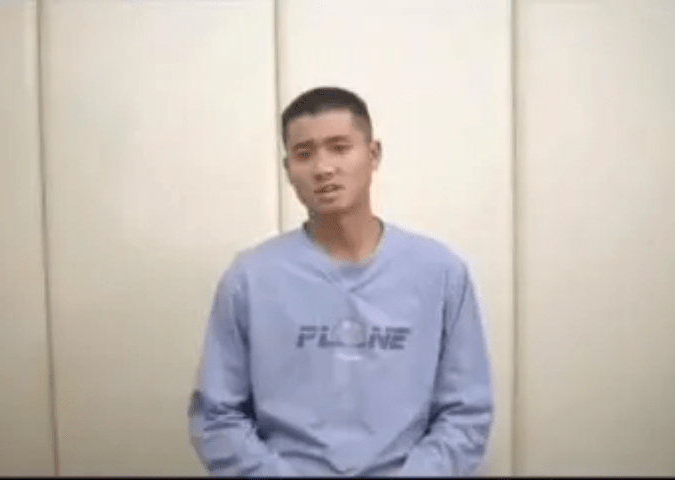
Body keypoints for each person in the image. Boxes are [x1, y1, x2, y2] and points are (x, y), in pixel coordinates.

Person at [188, 86, 494, 477]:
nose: (323, 168)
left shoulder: (440, 273)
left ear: (373, 154)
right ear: (288, 169)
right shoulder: (249, 278)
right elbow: (218, 416)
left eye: (339, 148)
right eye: (304, 154)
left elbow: (465, 413)